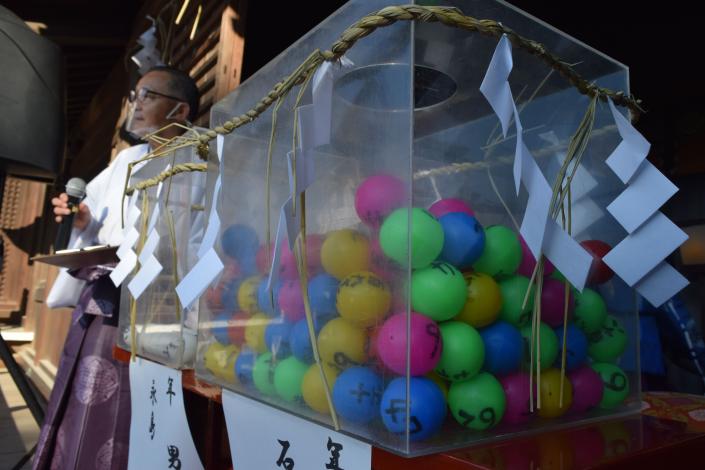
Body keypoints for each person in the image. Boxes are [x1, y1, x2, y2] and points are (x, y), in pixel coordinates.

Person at [34, 66, 199, 470]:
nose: (136, 105)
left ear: (179, 110)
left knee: (135, 415)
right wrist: (82, 221)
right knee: (82, 403)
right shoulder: (126, 159)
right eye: (134, 94)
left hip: (157, 312)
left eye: (147, 95)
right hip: (102, 304)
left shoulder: (201, 163)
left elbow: (197, 242)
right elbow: (96, 222)